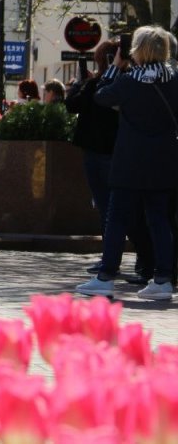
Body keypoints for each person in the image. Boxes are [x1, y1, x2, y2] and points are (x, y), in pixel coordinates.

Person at [77, 26, 178, 301]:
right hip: (165, 161)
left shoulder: (130, 81)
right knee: (159, 219)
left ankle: (106, 276)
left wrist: (115, 66)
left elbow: (100, 96)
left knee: (117, 219)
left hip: (130, 162)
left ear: (137, 50)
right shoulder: (175, 79)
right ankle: (163, 279)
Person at [64, 40, 147, 280]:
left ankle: (127, 260)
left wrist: (86, 83)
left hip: (110, 154)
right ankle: (122, 259)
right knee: (112, 209)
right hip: (106, 153)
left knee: (116, 210)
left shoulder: (112, 83)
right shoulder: (102, 83)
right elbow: (73, 105)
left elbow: (77, 103)